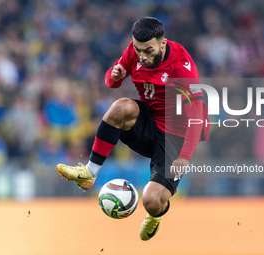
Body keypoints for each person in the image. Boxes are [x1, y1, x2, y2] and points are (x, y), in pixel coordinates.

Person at [56, 17, 209, 241]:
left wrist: (185, 156)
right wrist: (114, 76)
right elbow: (111, 79)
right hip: (148, 124)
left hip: (175, 139)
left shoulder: (181, 67)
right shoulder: (133, 51)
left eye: (148, 50)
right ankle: (89, 173)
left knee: (152, 201)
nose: (143, 57)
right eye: (139, 50)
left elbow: (196, 116)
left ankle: (157, 214)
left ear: (163, 43)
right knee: (120, 107)